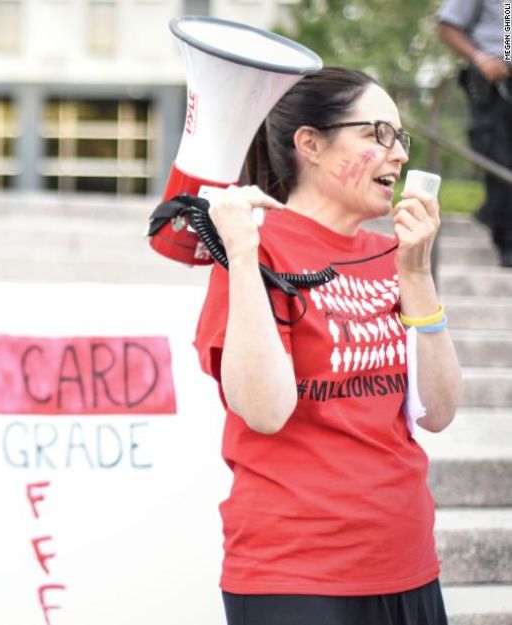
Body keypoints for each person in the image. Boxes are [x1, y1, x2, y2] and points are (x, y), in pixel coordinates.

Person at [194, 67, 463, 625]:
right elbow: (265, 410)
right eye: (375, 134)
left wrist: (416, 273)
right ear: (310, 144)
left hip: (406, 560)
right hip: (296, 573)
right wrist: (242, 256)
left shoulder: (390, 254)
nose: (396, 155)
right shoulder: (257, 248)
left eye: (400, 138)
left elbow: (438, 411)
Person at [437, 0, 512, 267]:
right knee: (499, 157)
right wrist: (481, 58)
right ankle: (506, 239)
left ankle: (491, 212)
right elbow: (448, 25)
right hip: (496, 77)